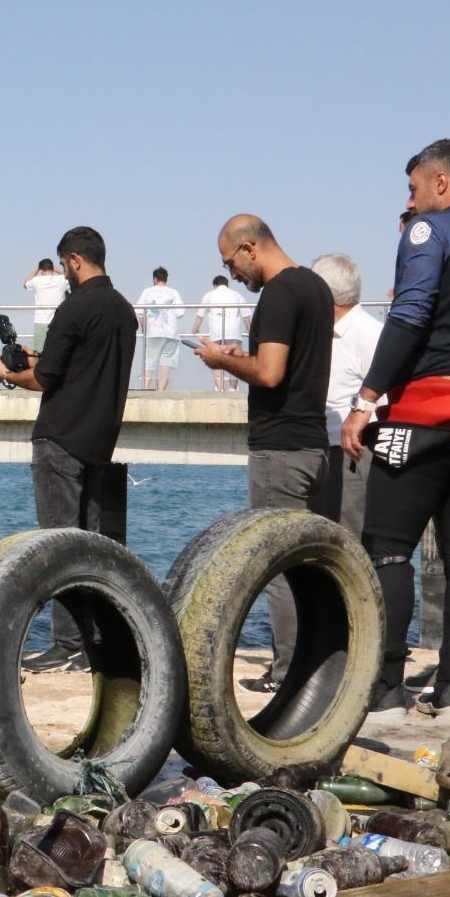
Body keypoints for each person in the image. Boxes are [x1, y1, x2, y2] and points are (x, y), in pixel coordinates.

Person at [342, 139, 450, 716]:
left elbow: (410, 314)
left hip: (423, 416)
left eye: (414, 189)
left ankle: (386, 686)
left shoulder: (428, 231)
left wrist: (366, 400)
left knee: (388, 551)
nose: (411, 202)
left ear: (441, 182)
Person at [0, 226, 137, 672]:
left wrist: (4, 374)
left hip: (60, 439)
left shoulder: (74, 307)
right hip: (98, 442)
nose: (65, 273)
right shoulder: (124, 311)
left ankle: (65, 643)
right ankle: (92, 644)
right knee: (89, 549)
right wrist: (36, 357)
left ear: (74, 260)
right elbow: (79, 366)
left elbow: (44, 379)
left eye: (64, 264)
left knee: (57, 547)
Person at [198, 214, 332, 694]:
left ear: (250, 248)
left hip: (280, 450)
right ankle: (319, 668)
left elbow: (272, 374)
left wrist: (221, 361)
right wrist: (243, 357)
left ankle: (288, 675)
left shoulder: (277, 294)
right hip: (314, 446)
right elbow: (289, 364)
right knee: (312, 569)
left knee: (279, 569)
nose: (232, 273)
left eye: (230, 262)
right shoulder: (315, 287)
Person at [311, 253, 382, 538]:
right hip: (323, 449)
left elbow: (383, 401)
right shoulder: (324, 332)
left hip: (352, 453)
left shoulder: (370, 333)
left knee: (349, 540)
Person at [192, 275, 249, 391]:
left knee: (217, 358)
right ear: (227, 284)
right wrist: (250, 330)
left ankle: (219, 387)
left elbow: (200, 316)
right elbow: (246, 316)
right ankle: (232, 388)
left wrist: (194, 330)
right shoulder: (236, 295)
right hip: (234, 332)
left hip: (216, 333)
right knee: (235, 360)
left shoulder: (209, 295)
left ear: (215, 285)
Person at [135, 268, 184, 391]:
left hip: (153, 332)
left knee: (149, 361)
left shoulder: (148, 291)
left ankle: (146, 388)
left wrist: (143, 327)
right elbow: (180, 313)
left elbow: (139, 311)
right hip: (171, 333)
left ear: (155, 279)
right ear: (166, 279)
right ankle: (161, 391)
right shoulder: (174, 292)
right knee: (166, 362)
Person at [24, 259, 70, 352]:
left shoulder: (36, 280)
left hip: (41, 320)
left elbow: (25, 284)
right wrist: (57, 270)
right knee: (59, 351)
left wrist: (36, 269)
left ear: (41, 270)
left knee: (39, 352)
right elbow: (71, 277)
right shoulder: (61, 279)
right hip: (59, 320)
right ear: (52, 268)